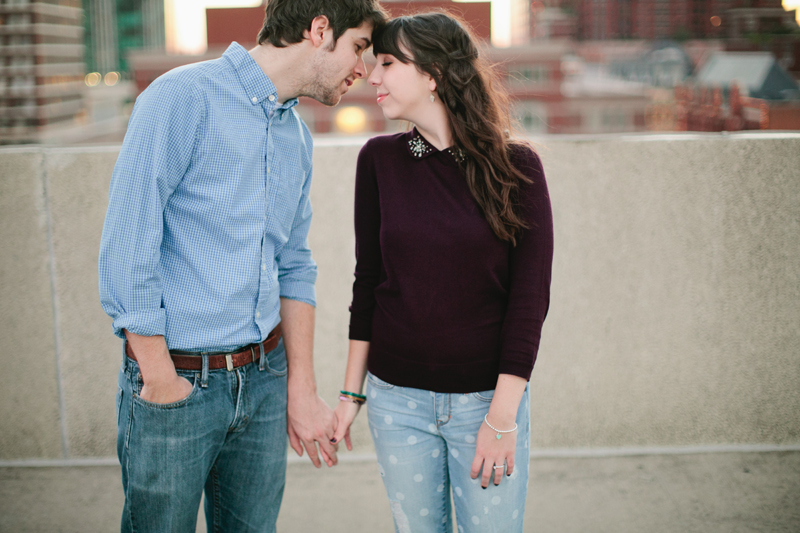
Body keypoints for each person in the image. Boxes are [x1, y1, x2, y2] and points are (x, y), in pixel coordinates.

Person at [98, 1, 387, 531]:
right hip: (178, 384)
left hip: (262, 381)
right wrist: (161, 380)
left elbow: (294, 262)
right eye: (359, 47)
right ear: (320, 29)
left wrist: (298, 386)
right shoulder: (182, 97)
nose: (362, 70)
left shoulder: (294, 135)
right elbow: (128, 243)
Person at [331, 12, 554, 533]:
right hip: (397, 404)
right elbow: (368, 284)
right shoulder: (382, 160)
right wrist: (350, 395)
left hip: (487, 404)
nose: (373, 76)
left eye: (387, 63)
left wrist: (501, 420)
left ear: (432, 73)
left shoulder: (516, 167)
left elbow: (529, 303)